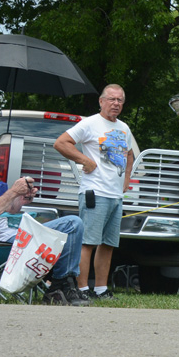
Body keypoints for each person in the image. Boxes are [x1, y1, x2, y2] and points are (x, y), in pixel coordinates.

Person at [0, 140, 91, 306]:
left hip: (9, 239)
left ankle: (62, 286)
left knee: (68, 227)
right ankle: (60, 286)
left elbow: (8, 209)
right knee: (72, 224)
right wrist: (14, 190)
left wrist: (20, 198)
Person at [54, 84, 137, 301]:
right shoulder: (90, 123)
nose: (115, 104)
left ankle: (101, 289)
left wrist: (126, 179)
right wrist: (84, 160)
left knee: (108, 244)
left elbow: (129, 155)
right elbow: (61, 143)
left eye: (120, 100)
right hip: (95, 192)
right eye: (111, 99)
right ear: (101, 101)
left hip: (115, 195)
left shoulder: (124, 128)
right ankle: (82, 289)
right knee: (88, 242)